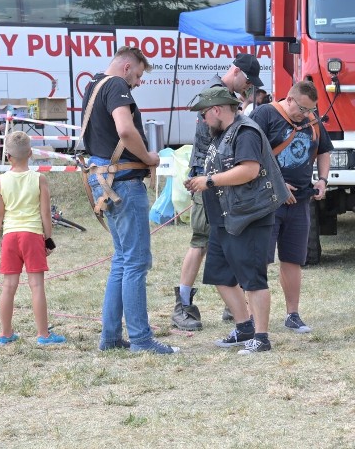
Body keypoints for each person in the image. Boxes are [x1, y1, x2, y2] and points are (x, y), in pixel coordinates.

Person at [82, 46, 178, 354]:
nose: (137, 83)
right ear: (126, 67)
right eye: (137, 75)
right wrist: (149, 156)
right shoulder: (116, 85)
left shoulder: (94, 85)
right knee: (135, 262)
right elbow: (125, 129)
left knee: (122, 261)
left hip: (106, 182)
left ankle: (111, 338)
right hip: (123, 183)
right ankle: (141, 339)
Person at [184, 86, 288, 354]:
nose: (203, 120)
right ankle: (245, 327)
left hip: (248, 216)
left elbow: (249, 170)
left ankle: (262, 337)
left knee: (253, 279)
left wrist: (208, 181)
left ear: (217, 110)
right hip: (224, 217)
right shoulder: (221, 133)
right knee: (220, 275)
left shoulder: (246, 132)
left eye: (204, 114)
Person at [172, 53, 264, 331]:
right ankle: (183, 305)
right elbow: (210, 142)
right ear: (235, 71)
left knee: (229, 237)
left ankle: (232, 305)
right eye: (247, 81)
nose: (248, 87)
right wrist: (206, 180)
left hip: (218, 179)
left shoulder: (227, 95)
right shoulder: (213, 95)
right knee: (201, 241)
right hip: (207, 178)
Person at [251, 81, 333, 333]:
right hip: (267, 201)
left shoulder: (312, 122)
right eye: (303, 109)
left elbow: (324, 150)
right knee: (259, 261)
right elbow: (249, 153)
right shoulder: (264, 114)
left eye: (311, 110)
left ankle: (292, 314)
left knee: (293, 260)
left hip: (299, 203)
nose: (307, 115)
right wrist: (278, 185)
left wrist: (322, 180)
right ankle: (252, 318)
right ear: (289, 99)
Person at [0, 131, 65, 346]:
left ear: (7, 155)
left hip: (10, 236)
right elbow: (45, 213)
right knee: (36, 286)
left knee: (8, 286)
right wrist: (48, 239)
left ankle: (5, 333)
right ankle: (43, 335)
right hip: (32, 235)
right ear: (30, 153)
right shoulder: (39, 179)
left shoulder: (1, 180)